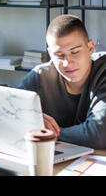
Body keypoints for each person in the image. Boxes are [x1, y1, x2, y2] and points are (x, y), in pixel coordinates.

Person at [18, 14, 106, 149]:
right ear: (50, 53)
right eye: (59, 55)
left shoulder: (103, 72)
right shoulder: (39, 76)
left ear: (90, 48)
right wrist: (31, 118)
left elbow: (99, 134)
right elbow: (8, 112)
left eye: (75, 52)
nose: (67, 63)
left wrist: (47, 133)